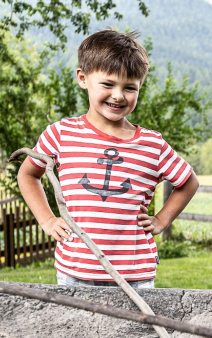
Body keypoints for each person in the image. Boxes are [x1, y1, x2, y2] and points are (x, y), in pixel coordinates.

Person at [18, 29, 198, 289]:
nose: (118, 95)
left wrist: (161, 220)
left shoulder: (152, 144)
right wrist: (47, 220)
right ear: (83, 78)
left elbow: (188, 182)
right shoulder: (61, 134)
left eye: (129, 88)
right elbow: (27, 174)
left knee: (136, 331)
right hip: (75, 270)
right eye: (108, 84)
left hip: (134, 273)